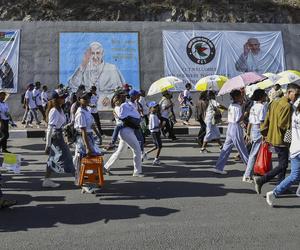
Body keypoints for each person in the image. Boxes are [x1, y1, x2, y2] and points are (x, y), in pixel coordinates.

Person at [254, 83, 300, 194]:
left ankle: (281, 185)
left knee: (282, 163)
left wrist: (265, 133)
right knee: (283, 164)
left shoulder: (274, 102)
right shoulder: (287, 106)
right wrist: (290, 139)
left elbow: (267, 119)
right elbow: (283, 125)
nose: (297, 97)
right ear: (289, 92)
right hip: (282, 139)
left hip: (273, 137)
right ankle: (261, 180)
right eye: (296, 94)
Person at [68, 42, 125, 110]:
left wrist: (110, 97)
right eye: (92, 53)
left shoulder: (112, 68)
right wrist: (82, 67)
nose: (95, 56)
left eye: (97, 53)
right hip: (87, 107)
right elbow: (72, 85)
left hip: (107, 107)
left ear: (102, 54)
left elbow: (121, 89)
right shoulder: (83, 68)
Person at [265, 97, 300, 206]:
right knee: (294, 175)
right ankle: (274, 192)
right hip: (298, 149)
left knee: (295, 175)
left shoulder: (295, 114)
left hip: (294, 148)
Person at [104, 92, 143, 177]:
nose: (125, 98)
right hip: (126, 131)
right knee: (137, 149)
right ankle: (137, 172)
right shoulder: (119, 108)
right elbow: (124, 118)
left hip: (126, 131)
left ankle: (106, 167)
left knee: (120, 151)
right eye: (122, 97)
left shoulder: (122, 106)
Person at [43, 90, 75, 188]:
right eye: (62, 97)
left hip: (59, 134)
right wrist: (47, 145)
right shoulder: (54, 111)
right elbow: (50, 129)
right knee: (67, 156)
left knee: (53, 158)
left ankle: (46, 180)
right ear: (56, 99)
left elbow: (61, 124)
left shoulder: (60, 109)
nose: (64, 99)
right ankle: (77, 178)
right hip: (56, 136)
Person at [214, 90, 249, 174]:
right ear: (237, 97)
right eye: (240, 96)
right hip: (235, 127)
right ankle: (250, 168)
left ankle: (218, 167)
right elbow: (238, 119)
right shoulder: (238, 107)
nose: (242, 98)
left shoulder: (231, 105)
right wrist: (245, 114)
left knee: (226, 148)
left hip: (230, 127)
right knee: (242, 149)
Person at [73, 91, 102, 193]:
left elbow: (92, 125)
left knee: (91, 161)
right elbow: (83, 131)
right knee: (84, 162)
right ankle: (84, 184)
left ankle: (88, 182)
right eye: (84, 98)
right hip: (83, 138)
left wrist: (98, 135)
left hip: (89, 137)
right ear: (79, 100)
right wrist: (88, 147)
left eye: (88, 98)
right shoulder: (80, 113)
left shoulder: (87, 110)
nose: (87, 100)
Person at [243, 89, 267, 183]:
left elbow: (250, 121)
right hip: (259, 130)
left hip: (253, 129)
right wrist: (264, 134)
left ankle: (256, 173)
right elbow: (262, 122)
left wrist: (248, 133)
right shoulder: (262, 107)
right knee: (254, 153)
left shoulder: (253, 106)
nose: (266, 96)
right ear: (261, 97)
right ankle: (247, 175)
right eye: (264, 95)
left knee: (256, 152)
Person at [144, 101, 163, 166]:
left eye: (157, 107)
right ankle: (156, 159)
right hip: (155, 132)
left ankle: (145, 153)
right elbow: (152, 127)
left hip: (156, 132)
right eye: (154, 107)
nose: (156, 108)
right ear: (151, 108)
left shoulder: (155, 115)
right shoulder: (152, 116)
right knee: (159, 146)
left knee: (156, 146)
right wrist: (161, 126)